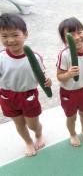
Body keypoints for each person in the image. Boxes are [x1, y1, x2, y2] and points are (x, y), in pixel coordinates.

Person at [0, 13, 52, 157]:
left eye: (15, 35)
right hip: (7, 95)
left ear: (25, 34)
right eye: (4, 36)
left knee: (32, 124)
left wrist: (47, 80)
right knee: (19, 124)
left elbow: (42, 75)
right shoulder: (1, 57)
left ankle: (38, 133)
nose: (10, 40)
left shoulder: (34, 57)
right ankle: (28, 142)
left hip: (28, 95)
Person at [56, 17, 83, 147]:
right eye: (71, 35)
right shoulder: (64, 54)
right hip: (68, 92)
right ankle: (73, 134)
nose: (76, 37)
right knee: (71, 117)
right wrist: (68, 74)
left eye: (79, 32)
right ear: (65, 40)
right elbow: (59, 76)